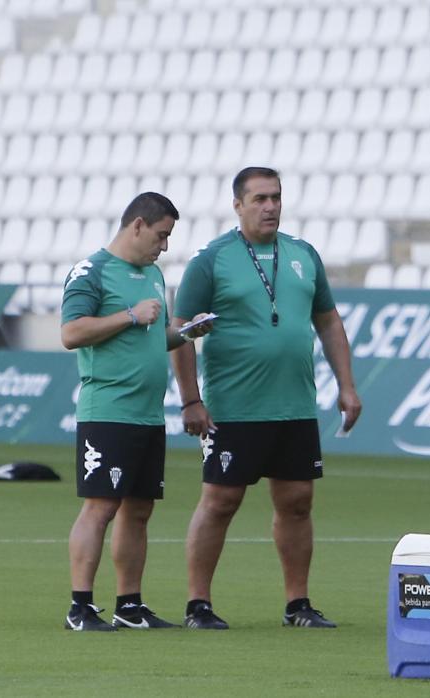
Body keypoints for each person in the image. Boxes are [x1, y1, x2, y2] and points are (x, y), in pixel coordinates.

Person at [171, 167, 362, 630]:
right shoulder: (211, 260)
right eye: (259, 198)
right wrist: (191, 400)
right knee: (220, 501)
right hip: (234, 407)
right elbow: (180, 333)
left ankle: (297, 604)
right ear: (238, 205)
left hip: (294, 405)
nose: (270, 206)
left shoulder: (302, 254)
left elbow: (329, 322)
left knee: (297, 501)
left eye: (275, 197)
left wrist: (347, 385)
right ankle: (198, 604)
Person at [61, 192, 213, 631]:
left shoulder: (151, 275)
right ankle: (81, 607)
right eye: (162, 235)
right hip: (108, 409)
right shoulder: (91, 271)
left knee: (139, 509)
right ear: (138, 226)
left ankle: (129, 604)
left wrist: (184, 331)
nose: (164, 246)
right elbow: (71, 332)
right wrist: (129, 315)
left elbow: (153, 335)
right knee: (101, 507)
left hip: (147, 413)